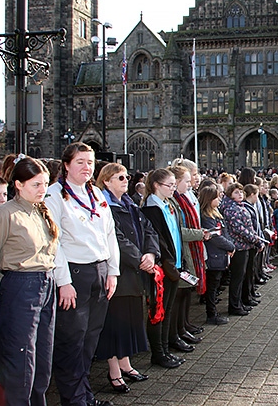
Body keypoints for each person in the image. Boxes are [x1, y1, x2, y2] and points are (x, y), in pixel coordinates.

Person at [45, 142, 120, 406]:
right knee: (71, 342)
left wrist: (113, 271)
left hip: (99, 273)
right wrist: (64, 281)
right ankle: (74, 400)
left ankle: (85, 395)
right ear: (66, 165)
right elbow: (54, 243)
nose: (87, 167)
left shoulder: (97, 194)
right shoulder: (54, 196)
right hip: (75, 275)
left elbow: (109, 234)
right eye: (80, 162)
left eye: (90, 162)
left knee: (90, 340)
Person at [0, 157, 59, 406]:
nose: (43, 189)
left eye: (44, 184)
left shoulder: (42, 211)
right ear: (18, 185)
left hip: (46, 284)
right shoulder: (4, 215)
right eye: (36, 185)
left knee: (42, 358)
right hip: (20, 286)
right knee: (21, 361)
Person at [95, 164, 159, 393]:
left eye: (127, 177)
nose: (125, 180)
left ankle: (126, 364)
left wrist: (151, 254)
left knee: (130, 320)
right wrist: (140, 258)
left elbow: (149, 229)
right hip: (119, 273)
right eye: (120, 177)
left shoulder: (130, 204)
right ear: (106, 181)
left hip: (135, 273)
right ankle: (114, 370)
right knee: (115, 323)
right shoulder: (105, 207)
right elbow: (117, 239)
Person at [140, 168, 185, 369]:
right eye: (170, 186)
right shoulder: (151, 209)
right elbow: (158, 240)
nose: (173, 190)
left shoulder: (168, 205)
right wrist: (167, 263)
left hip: (174, 265)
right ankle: (158, 352)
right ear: (157, 185)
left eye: (175, 186)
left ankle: (165, 349)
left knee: (167, 309)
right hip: (162, 268)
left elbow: (175, 235)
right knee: (158, 311)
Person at [168, 165, 209, 352]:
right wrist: (199, 234)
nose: (192, 181)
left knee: (185, 294)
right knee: (178, 296)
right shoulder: (175, 201)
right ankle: (175, 333)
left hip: (190, 250)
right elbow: (178, 230)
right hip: (183, 252)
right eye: (187, 179)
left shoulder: (184, 198)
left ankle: (183, 326)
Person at [220, 183, 265, 316]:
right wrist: (255, 239)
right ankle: (234, 306)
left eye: (241, 192)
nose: (240, 194)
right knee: (237, 278)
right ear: (230, 195)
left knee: (242, 276)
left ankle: (240, 302)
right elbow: (239, 229)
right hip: (238, 246)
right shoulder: (230, 208)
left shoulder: (240, 206)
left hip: (245, 245)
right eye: (236, 192)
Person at [199, 184, 234, 325]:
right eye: (216, 197)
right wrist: (230, 246)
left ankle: (213, 311)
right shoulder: (206, 216)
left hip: (220, 254)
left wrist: (230, 245)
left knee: (215, 285)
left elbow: (224, 232)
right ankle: (211, 314)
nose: (220, 200)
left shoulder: (215, 212)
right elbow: (215, 236)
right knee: (212, 286)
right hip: (213, 255)